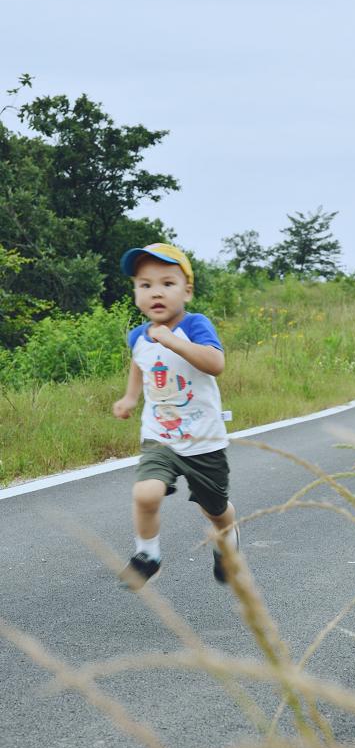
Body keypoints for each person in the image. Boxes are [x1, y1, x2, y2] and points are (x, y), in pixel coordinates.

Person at [113, 242, 239, 590]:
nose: (156, 292)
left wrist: (173, 341)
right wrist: (129, 397)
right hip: (160, 435)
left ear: (187, 290)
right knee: (146, 493)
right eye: (145, 284)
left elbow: (216, 364)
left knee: (215, 510)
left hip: (204, 438)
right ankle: (147, 554)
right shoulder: (138, 336)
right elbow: (139, 365)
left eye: (167, 284)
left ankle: (227, 541)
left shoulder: (195, 325)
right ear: (136, 291)